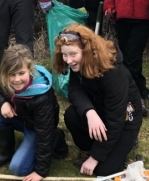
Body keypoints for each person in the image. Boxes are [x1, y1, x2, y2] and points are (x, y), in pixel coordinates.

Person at [53, 24, 142, 176]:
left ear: (87, 51)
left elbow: (115, 121)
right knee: (72, 115)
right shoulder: (78, 64)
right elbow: (74, 89)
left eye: (73, 54)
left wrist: (95, 158)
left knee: (103, 170)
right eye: (65, 55)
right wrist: (90, 112)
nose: (68, 60)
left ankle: (124, 144)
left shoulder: (113, 74)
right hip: (99, 110)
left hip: (124, 120)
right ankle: (87, 150)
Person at [0, 44, 68, 181]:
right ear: (5, 72)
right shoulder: (5, 79)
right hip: (21, 119)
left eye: (21, 73)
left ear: (30, 70)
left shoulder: (42, 96)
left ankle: (56, 136)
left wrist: (41, 172)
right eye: (12, 74)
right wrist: (3, 103)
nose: (16, 80)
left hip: (38, 128)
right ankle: (6, 153)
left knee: (18, 169)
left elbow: (44, 134)